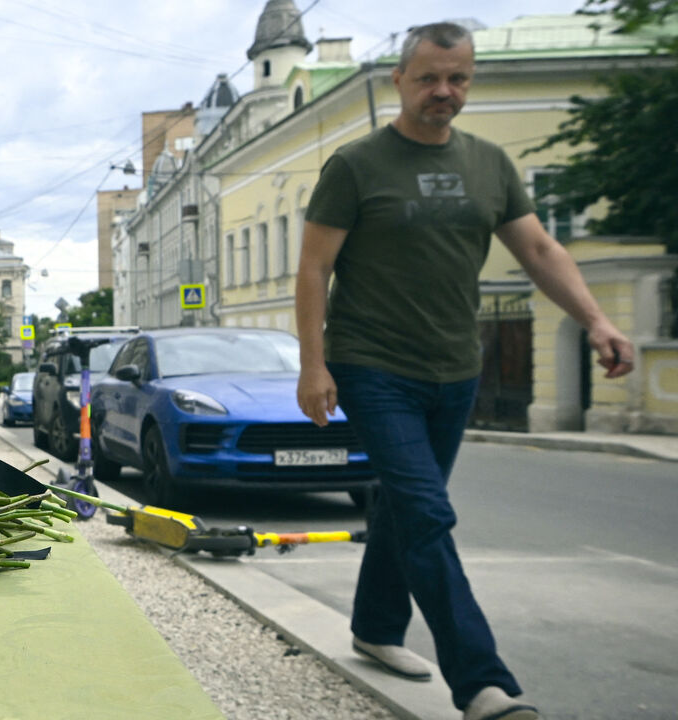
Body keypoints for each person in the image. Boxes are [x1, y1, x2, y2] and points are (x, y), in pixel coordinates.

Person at [294, 22, 634, 720]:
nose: (444, 92)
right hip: (372, 365)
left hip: (456, 368)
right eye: (429, 78)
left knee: (401, 510)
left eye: (458, 78)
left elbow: (538, 249)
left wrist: (596, 319)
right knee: (426, 511)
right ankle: (484, 685)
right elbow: (313, 268)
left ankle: (376, 628)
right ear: (400, 79)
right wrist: (313, 364)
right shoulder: (356, 166)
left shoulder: (488, 164)